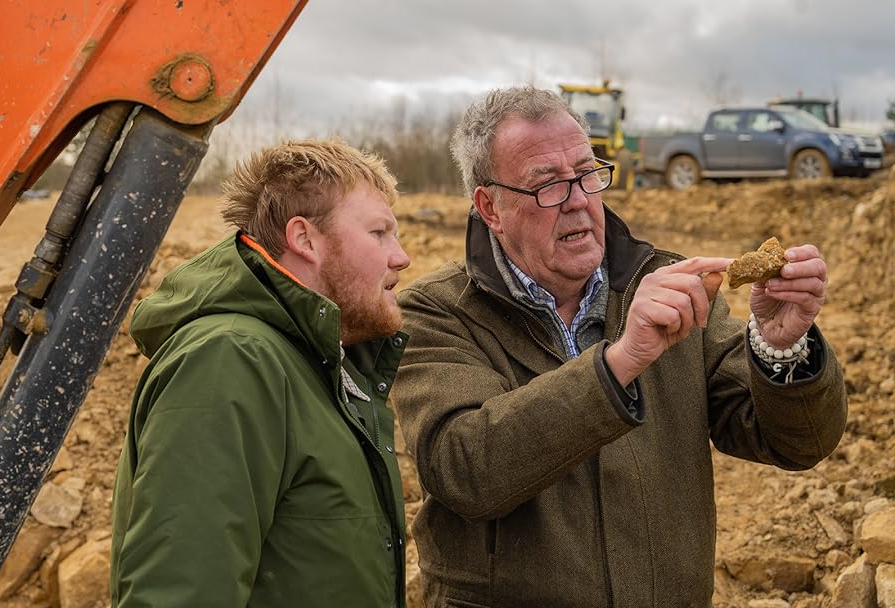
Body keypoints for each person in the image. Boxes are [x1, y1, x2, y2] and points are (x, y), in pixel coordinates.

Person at [392, 85, 847, 607]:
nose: (579, 201)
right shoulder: (438, 311)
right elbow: (465, 469)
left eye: (587, 175)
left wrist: (780, 348)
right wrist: (619, 362)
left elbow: (797, 442)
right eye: (547, 186)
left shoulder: (669, 285)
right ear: (489, 207)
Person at [110, 139, 411, 607]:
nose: (401, 256)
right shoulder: (232, 360)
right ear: (305, 239)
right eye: (379, 233)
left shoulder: (315, 362)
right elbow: (179, 593)